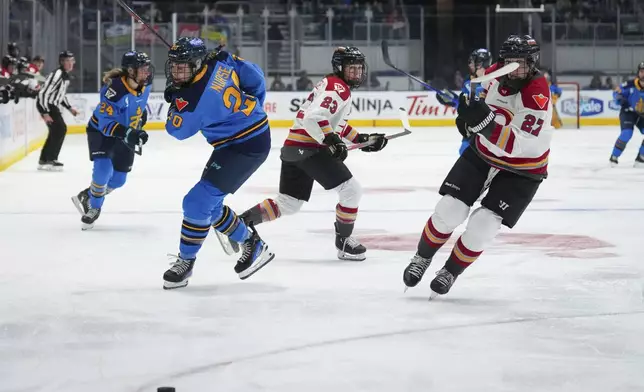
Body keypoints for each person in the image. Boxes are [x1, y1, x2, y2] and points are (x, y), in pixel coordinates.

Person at [402, 35, 553, 297]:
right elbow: (476, 101)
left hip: (523, 168)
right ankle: (422, 257)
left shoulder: (537, 93)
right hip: (484, 154)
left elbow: (520, 143)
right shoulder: (492, 73)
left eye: (523, 63)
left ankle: (450, 271)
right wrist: (467, 119)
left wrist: (483, 124)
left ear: (533, 63)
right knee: (449, 210)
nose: (517, 68)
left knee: (483, 226)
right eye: (511, 62)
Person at [237, 46, 388, 261]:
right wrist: (330, 139)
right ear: (340, 68)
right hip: (309, 148)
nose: (356, 73)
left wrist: (362, 139)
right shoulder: (338, 88)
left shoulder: (334, 85)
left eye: (358, 69)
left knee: (288, 203)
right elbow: (313, 119)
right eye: (351, 69)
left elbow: (333, 125)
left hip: (293, 148)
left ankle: (241, 223)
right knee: (351, 190)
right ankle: (344, 242)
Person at [162, 37, 274, 290]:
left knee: (196, 202)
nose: (176, 72)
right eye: (175, 67)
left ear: (198, 62)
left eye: (183, 67)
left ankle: (186, 261)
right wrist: (255, 104)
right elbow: (255, 77)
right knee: (209, 205)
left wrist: (174, 101)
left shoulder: (192, 101)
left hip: (245, 147)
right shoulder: (222, 60)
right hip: (243, 140)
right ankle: (251, 243)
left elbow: (176, 131)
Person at [71, 51, 152, 229]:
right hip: (101, 131)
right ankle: (94, 207)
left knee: (119, 180)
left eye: (147, 68)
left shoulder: (146, 85)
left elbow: (139, 104)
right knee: (103, 168)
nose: (147, 72)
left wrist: (140, 117)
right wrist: (131, 133)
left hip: (124, 133)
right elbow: (106, 124)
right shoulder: (113, 91)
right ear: (130, 71)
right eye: (143, 69)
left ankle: (89, 195)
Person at [437, 48, 492, 154]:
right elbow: (467, 102)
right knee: (464, 152)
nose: (471, 64)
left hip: (486, 131)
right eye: (470, 61)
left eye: (474, 62)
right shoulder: (469, 80)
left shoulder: (491, 81)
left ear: (483, 63)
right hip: (471, 129)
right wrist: (453, 100)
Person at [36, 51, 79, 171]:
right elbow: (43, 93)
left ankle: (45, 159)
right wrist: (44, 112)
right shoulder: (57, 74)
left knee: (56, 131)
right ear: (61, 62)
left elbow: (60, 95)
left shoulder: (65, 75)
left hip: (51, 106)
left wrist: (69, 108)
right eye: (67, 61)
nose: (70, 63)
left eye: (72, 61)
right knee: (60, 129)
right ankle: (50, 159)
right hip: (47, 105)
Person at [609, 62, 644, 167]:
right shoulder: (629, 84)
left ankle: (641, 158)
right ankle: (614, 158)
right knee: (627, 133)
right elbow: (616, 93)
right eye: (642, 71)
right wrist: (619, 99)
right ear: (638, 73)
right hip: (628, 113)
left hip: (641, 115)